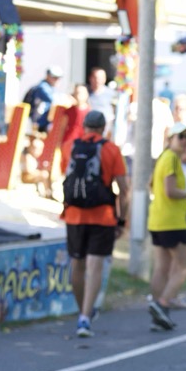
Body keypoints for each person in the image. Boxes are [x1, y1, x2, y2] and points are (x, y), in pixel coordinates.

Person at [62, 110, 129, 339]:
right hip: (103, 216)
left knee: (77, 264)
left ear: (84, 126)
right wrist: (122, 219)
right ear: (103, 128)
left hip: (73, 215)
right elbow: (124, 189)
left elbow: (66, 176)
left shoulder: (69, 146)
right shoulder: (111, 149)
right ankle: (85, 316)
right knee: (95, 266)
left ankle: (82, 311)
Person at [148, 122, 186, 329]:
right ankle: (163, 303)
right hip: (172, 221)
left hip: (158, 219)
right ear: (171, 139)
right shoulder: (171, 159)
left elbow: (151, 184)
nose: (185, 141)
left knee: (163, 267)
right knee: (185, 264)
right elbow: (171, 191)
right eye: (181, 137)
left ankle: (158, 314)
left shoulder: (164, 157)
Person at [22, 65, 63, 133]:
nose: (57, 80)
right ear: (48, 76)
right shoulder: (43, 87)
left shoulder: (50, 88)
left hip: (43, 122)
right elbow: (54, 100)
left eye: (59, 78)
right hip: (38, 122)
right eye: (55, 78)